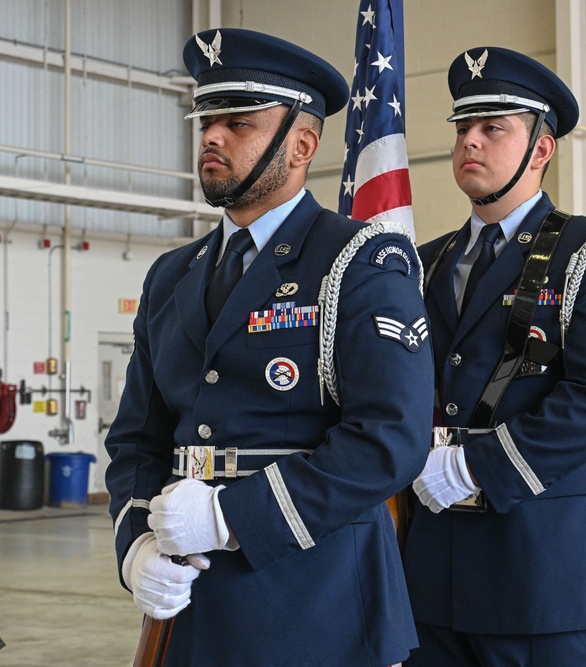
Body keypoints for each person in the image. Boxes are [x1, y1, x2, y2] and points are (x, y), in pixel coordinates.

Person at [104, 28, 433, 665]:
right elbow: (138, 437)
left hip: (317, 602)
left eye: (239, 123)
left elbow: (389, 438)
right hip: (189, 605)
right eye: (206, 120)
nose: (211, 137)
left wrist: (233, 517)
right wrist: (134, 544)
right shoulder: (171, 275)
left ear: (302, 144)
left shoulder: (358, 259)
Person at [402, 46, 586, 666]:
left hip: (545, 570)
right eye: (463, 128)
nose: (470, 143)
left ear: (541, 149)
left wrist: (475, 467)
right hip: (436, 566)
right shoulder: (424, 261)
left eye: (493, 128)